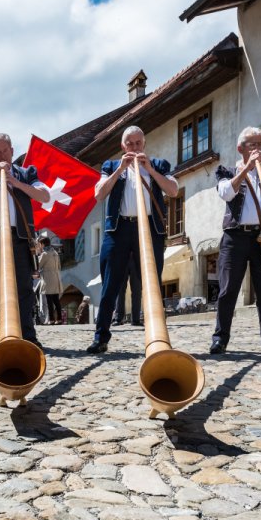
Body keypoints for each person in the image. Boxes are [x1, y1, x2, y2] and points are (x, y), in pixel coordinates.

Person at [86, 126, 178, 354]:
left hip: (149, 229)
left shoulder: (158, 165)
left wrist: (150, 170)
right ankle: (101, 337)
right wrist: (120, 170)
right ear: (123, 146)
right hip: (118, 230)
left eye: (138, 143)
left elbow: (173, 190)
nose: (135, 148)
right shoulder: (111, 166)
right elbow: (99, 194)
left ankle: (157, 337)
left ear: (144, 144)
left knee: (152, 284)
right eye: (130, 144)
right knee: (109, 285)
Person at [210, 127, 261, 355]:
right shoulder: (227, 170)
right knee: (228, 290)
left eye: (260, 144)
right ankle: (220, 338)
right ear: (241, 148)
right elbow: (226, 193)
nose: (257, 149)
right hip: (235, 236)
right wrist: (247, 169)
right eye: (252, 145)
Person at [0, 133, 50, 351]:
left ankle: (27, 334)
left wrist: (16, 183)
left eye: (5, 151)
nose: (2, 155)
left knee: (24, 287)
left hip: (20, 237)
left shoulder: (26, 173)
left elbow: (44, 196)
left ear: (12, 152)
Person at [38, 236, 63, 324]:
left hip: (48, 278)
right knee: (56, 300)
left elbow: (38, 265)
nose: (39, 246)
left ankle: (51, 319)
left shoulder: (44, 254)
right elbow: (59, 266)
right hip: (56, 277)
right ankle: (59, 319)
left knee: (49, 300)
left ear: (43, 244)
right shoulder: (55, 252)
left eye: (40, 244)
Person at [111, 253, 141, 326]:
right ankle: (118, 318)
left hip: (137, 258)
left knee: (137, 290)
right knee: (120, 290)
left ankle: (136, 319)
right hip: (121, 257)